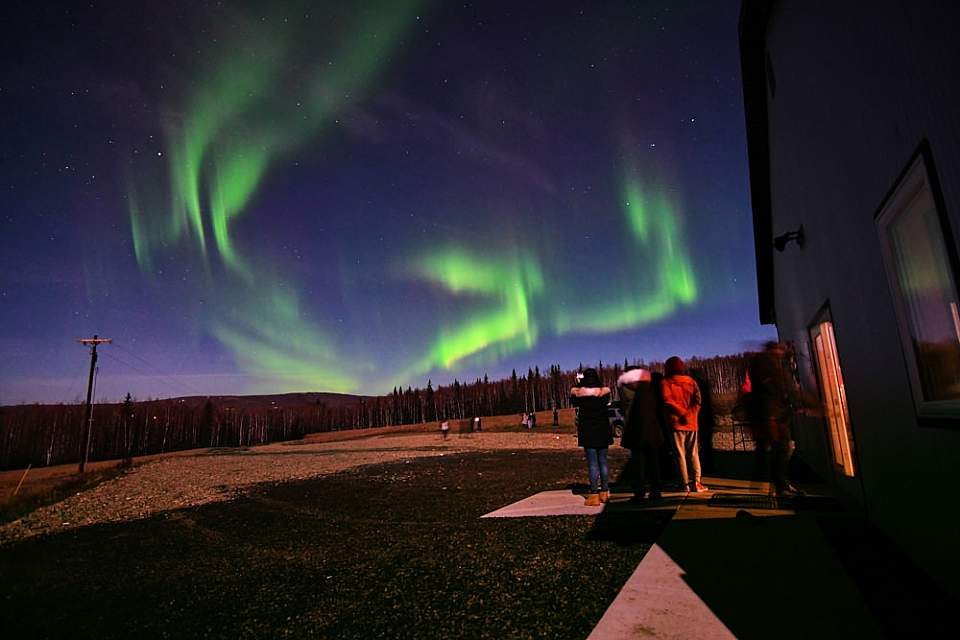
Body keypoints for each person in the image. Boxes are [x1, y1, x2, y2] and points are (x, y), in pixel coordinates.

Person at [745, 341, 805, 496]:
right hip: (773, 417)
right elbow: (775, 392)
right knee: (782, 449)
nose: (781, 352)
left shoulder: (766, 365)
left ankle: (776, 484)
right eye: (779, 350)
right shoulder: (769, 366)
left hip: (772, 415)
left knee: (778, 449)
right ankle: (780, 486)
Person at [618, 366, 664, 502]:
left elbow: (624, 407)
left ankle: (639, 492)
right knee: (653, 461)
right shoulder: (651, 387)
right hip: (652, 428)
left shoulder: (625, 389)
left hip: (635, 428)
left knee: (637, 463)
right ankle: (656, 491)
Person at [661, 356, 707, 492]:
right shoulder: (691, 381)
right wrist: (691, 414)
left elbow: (667, 400)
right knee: (693, 453)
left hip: (675, 423)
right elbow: (698, 400)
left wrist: (681, 413)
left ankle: (683, 484)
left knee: (679, 454)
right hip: (692, 422)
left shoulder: (665, 382)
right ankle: (696, 482)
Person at [570, 368, 613, 506]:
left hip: (588, 432)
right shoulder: (604, 393)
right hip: (603, 431)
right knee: (603, 462)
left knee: (592, 464)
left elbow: (574, 402)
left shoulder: (579, 393)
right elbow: (607, 402)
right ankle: (605, 492)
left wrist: (577, 384)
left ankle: (594, 494)